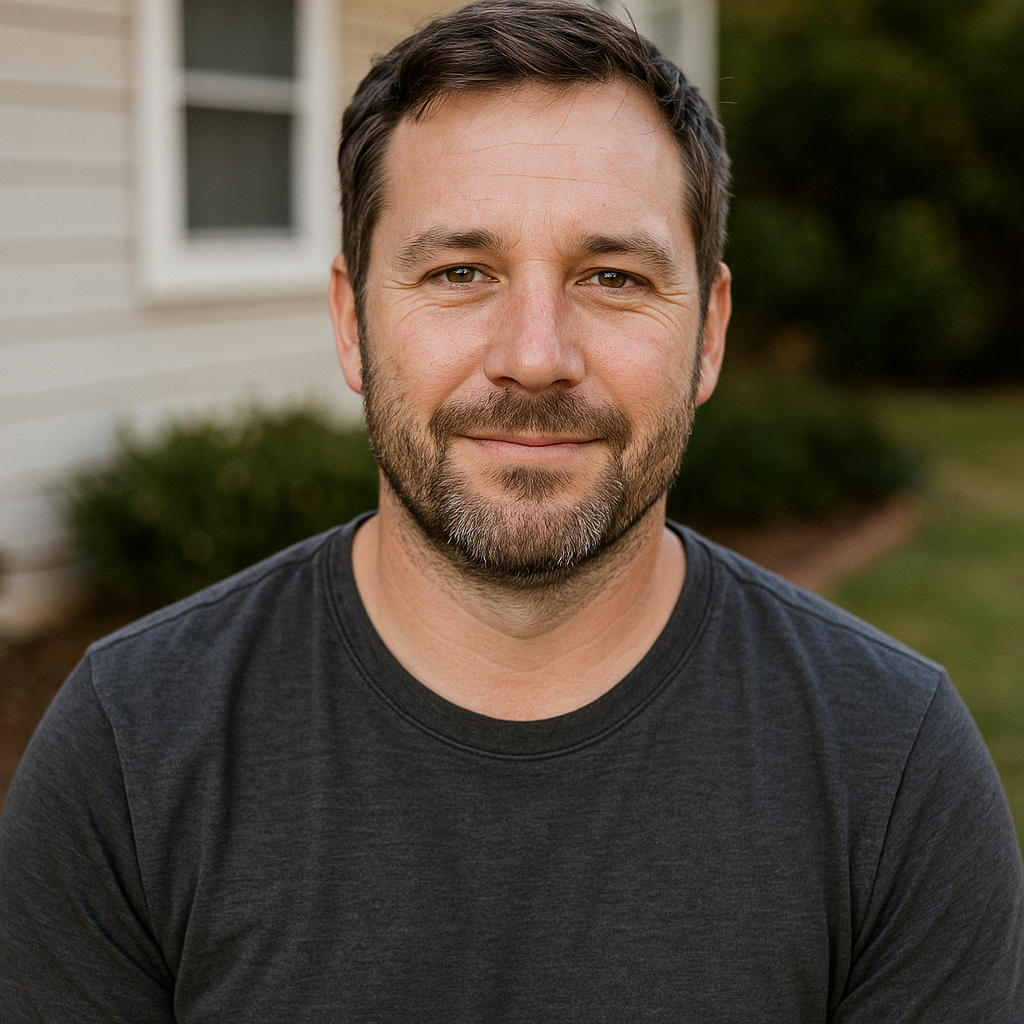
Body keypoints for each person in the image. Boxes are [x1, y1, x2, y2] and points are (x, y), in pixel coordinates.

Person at [2, 0, 1022, 1019]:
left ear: (707, 334)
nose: (535, 354)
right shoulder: (132, 750)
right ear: (353, 323)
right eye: (459, 272)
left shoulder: (891, 768)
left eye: (612, 276)